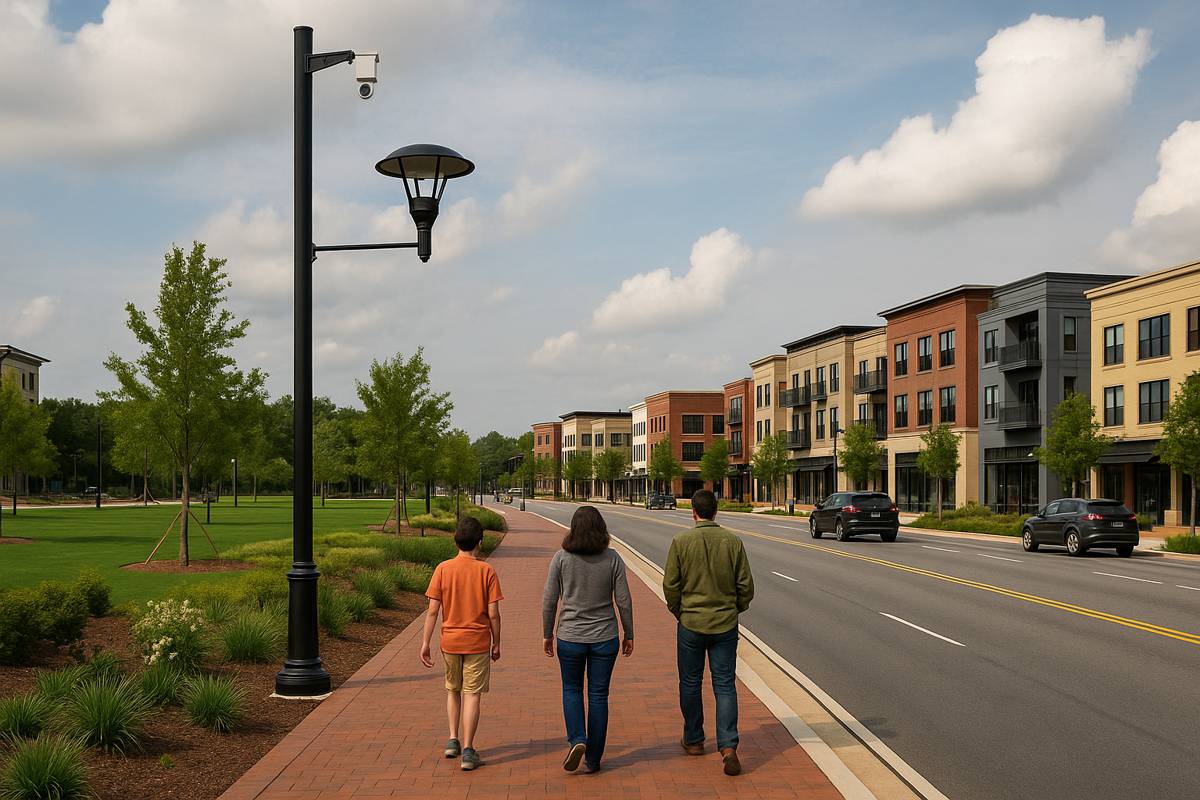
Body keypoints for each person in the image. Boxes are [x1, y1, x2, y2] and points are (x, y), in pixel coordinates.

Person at [663, 488, 754, 776]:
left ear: (693, 512)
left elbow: (670, 585)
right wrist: (735, 608)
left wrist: (679, 610)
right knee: (724, 684)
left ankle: (693, 739)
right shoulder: (733, 541)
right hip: (725, 623)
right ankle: (728, 746)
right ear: (715, 511)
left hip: (691, 622)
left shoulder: (680, 541)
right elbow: (746, 586)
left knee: (690, 683)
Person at [542, 505, 634, 774]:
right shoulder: (613, 559)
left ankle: (577, 739)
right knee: (598, 695)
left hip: (570, 636)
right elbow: (624, 601)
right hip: (605, 637)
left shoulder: (561, 558)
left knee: (571, 690)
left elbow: (549, 600)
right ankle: (593, 759)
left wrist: (547, 633)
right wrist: (629, 633)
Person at [420, 516, 503, 771]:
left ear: (456, 540)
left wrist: (425, 642)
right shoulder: (486, 571)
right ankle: (468, 749)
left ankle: (452, 739)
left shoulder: (443, 569)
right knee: (472, 694)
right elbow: (493, 614)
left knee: (452, 690)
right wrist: (497, 643)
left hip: (450, 641)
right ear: (480, 542)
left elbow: (433, 610)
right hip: (477, 642)